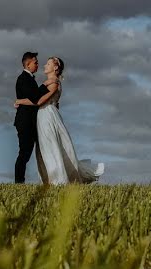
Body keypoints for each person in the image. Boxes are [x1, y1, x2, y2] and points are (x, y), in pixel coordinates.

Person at [14, 56, 104, 185]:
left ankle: (58, 179)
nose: (44, 65)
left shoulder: (54, 83)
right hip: (43, 116)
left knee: (51, 146)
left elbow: (39, 101)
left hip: (48, 116)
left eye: (48, 63)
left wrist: (19, 101)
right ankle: (50, 179)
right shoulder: (49, 82)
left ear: (55, 67)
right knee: (45, 148)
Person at [13, 51, 41, 183]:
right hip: (25, 122)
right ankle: (19, 182)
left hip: (32, 122)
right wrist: (47, 86)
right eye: (35, 62)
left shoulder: (29, 79)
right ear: (28, 64)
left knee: (29, 152)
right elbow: (34, 97)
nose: (38, 64)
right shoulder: (23, 79)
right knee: (24, 153)